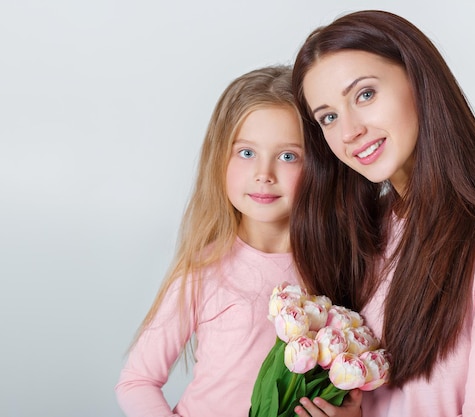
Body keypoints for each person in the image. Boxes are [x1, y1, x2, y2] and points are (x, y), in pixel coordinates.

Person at [288, 9, 475, 417]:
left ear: (419, 82)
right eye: (329, 117)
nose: (349, 130)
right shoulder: (367, 232)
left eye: (365, 94)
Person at [116, 65, 360, 417]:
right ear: (220, 158)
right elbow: (136, 381)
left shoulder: (340, 266)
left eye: (288, 156)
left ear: (319, 167)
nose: (264, 174)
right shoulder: (203, 270)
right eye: (247, 153)